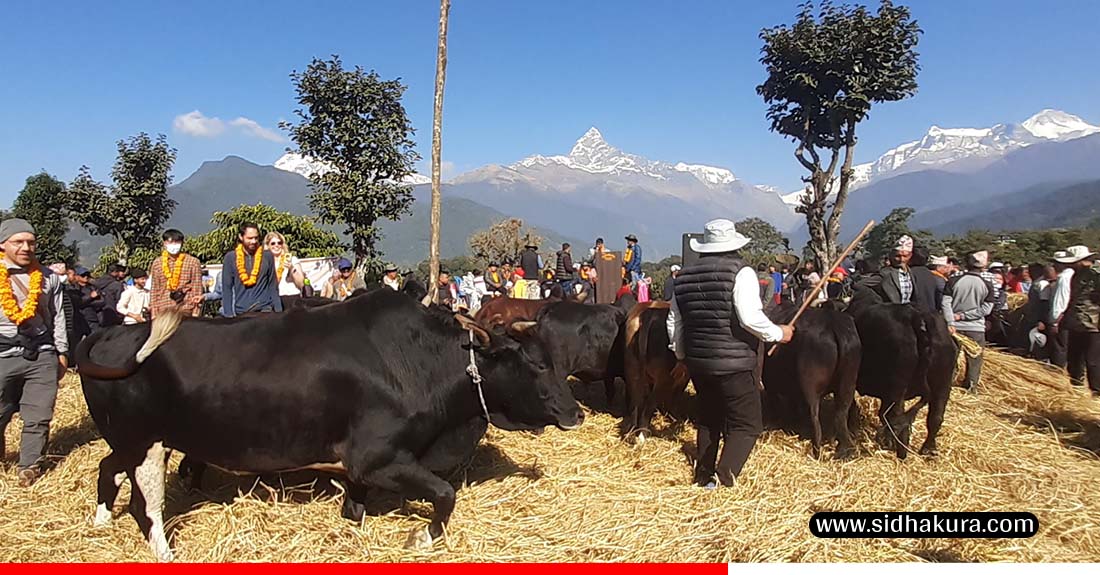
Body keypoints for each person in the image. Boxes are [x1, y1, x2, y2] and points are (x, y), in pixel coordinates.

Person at [667, 219, 793, 488]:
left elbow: (674, 321)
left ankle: (703, 476)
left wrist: (681, 356)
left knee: (709, 417)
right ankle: (724, 480)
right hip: (734, 363)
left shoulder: (684, 276)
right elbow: (749, 318)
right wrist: (779, 333)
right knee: (747, 425)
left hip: (698, 361)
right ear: (733, 245)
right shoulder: (741, 272)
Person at [0, 218, 69, 487]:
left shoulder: (49, 277)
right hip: (3, 353)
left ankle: (29, 465)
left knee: (38, 415)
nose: (26, 247)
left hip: (41, 353)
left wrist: (62, 351)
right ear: (3, 244)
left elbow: (58, 316)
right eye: (18, 242)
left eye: (30, 242)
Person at [943, 251, 996, 393]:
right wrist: (965, 316)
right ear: (983, 266)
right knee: (974, 359)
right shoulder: (987, 284)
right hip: (976, 327)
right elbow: (987, 309)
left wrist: (951, 321)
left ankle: (947, 385)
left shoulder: (954, 281)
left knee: (951, 359)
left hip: (954, 328)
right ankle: (971, 388)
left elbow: (945, 303)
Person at [1059, 245, 1100, 395]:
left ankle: (1096, 394)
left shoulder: (1096, 274)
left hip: (1093, 324)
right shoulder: (1077, 275)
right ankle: (1076, 388)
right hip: (1076, 323)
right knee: (1074, 359)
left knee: (1093, 362)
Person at [221, 223, 282, 317]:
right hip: (242, 313)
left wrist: (279, 313)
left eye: (256, 238)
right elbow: (227, 289)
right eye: (249, 238)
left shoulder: (267, 256)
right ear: (241, 237)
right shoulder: (230, 258)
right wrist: (228, 316)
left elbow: (273, 286)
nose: (253, 241)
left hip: (265, 310)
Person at [150, 229, 204, 318]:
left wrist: (195, 313)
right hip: (164, 309)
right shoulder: (157, 263)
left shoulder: (193, 262)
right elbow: (155, 289)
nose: (173, 245)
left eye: (177, 242)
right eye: (170, 242)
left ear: (182, 243)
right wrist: (154, 313)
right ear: (164, 243)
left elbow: (197, 287)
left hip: (186, 308)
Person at [859, 235, 921, 307]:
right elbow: (860, 285)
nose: (901, 260)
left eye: (905, 256)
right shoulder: (885, 273)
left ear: (910, 256)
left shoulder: (910, 273)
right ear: (891, 255)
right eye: (898, 256)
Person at [265, 231, 306, 309]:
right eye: (273, 243)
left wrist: (291, 268)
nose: (276, 245)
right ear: (267, 246)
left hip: (291, 299)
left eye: (279, 243)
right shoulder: (264, 263)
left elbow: (301, 283)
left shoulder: (292, 259)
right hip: (272, 300)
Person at [1048, 251, 1075, 368]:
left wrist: (1054, 321)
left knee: (1059, 348)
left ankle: (1058, 374)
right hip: (1073, 316)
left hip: (1061, 318)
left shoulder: (1064, 277)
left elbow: (1060, 301)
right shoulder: (1075, 275)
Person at [908, 246, 941, 315]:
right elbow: (939, 298)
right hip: (931, 315)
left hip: (913, 315)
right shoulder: (934, 276)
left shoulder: (908, 274)